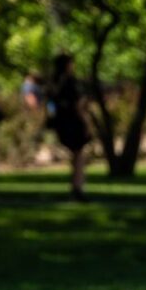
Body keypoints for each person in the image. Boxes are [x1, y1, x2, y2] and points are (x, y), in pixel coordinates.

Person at [48, 53, 91, 201]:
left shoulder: (54, 83)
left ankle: (75, 187)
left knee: (75, 155)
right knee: (78, 156)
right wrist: (86, 123)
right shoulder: (71, 82)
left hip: (61, 122)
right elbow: (78, 105)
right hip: (73, 122)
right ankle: (78, 188)